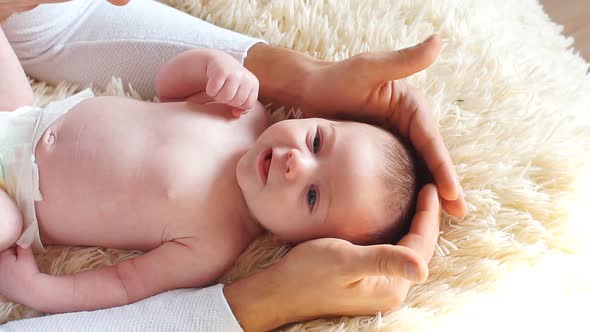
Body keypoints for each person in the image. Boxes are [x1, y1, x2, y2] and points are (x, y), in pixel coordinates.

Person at [0, 0, 467, 330]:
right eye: (318, 141)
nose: (295, 163)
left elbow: (123, 284)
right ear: (312, 117)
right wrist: (212, 67)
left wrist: (41, 291)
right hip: (25, 116)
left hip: (17, 197)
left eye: (311, 196)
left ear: (295, 242)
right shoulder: (246, 111)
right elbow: (168, 87)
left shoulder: (213, 244)